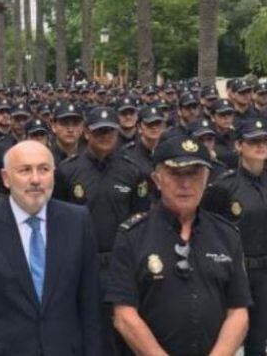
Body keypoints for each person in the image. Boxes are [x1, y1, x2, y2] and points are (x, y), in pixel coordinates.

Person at [105, 135, 251, 355]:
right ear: (157, 179)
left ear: (207, 178)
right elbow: (124, 315)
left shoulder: (227, 234)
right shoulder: (132, 236)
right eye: (175, 173)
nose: (185, 184)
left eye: (194, 174)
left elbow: (238, 311)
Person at [0, 141, 101, 356]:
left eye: (43, 169)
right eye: (24, 170)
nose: (35, 179)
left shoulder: (78, 221)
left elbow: (90, 305)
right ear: (5, 178)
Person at [201, 119, 267, 356]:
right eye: (253, 141)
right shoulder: (224, 185)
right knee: (225, 338)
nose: (260, 146)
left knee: (259, 340)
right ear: (239, 145)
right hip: (234, 271)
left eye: (264, 141)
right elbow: (209, 228)